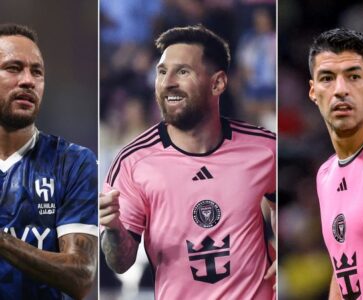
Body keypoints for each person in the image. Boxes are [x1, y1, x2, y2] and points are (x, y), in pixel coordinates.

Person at [100, 24, 276, 299]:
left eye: (182, 71)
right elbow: (120, 263)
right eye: (161, 72)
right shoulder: (133, 162)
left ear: (217, 83)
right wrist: (112, 229)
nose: (168, 81)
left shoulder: (265, 150)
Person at [0, 24, 98, 299]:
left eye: (37, 71)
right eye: (13, 68)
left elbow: (81, 275)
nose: (28, 80)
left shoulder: (73, 162)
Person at [308, 28, 363, 299]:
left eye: (353, 76)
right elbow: (344, 267)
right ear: (313, 92)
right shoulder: (326, 175)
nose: (340, 90)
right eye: (327, 78)